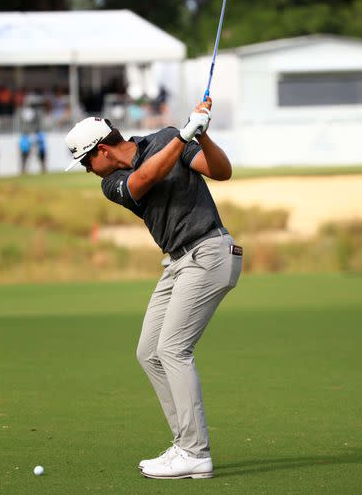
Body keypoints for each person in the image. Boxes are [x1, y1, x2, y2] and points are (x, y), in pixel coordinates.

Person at [64, 97, 242, 480]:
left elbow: (221, 171)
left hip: (210, 251)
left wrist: (202, 134)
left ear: (103, 150)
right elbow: (143, 181)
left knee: (173, 349)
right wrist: (183, 135)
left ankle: (195, 452)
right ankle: (184, 445)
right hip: (178, 262)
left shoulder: (163, 139)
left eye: (85, 162)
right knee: (149, 352)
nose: (86, 170)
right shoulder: (112, 183)